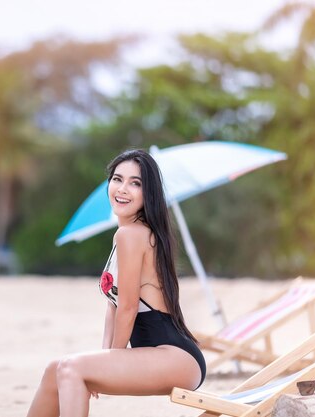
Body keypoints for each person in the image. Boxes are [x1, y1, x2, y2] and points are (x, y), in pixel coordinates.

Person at [26, 149, 206, 417]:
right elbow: (113, 306)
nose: (123, 189)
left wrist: (112, 359)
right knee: (56, 369)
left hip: (175, 356)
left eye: (136, 183)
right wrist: (104, 358)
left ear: (149, 194)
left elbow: (128, 308)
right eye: (117, 179)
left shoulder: (132, 235)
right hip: (165, 355)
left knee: (70, 368)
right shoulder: (125, 235)